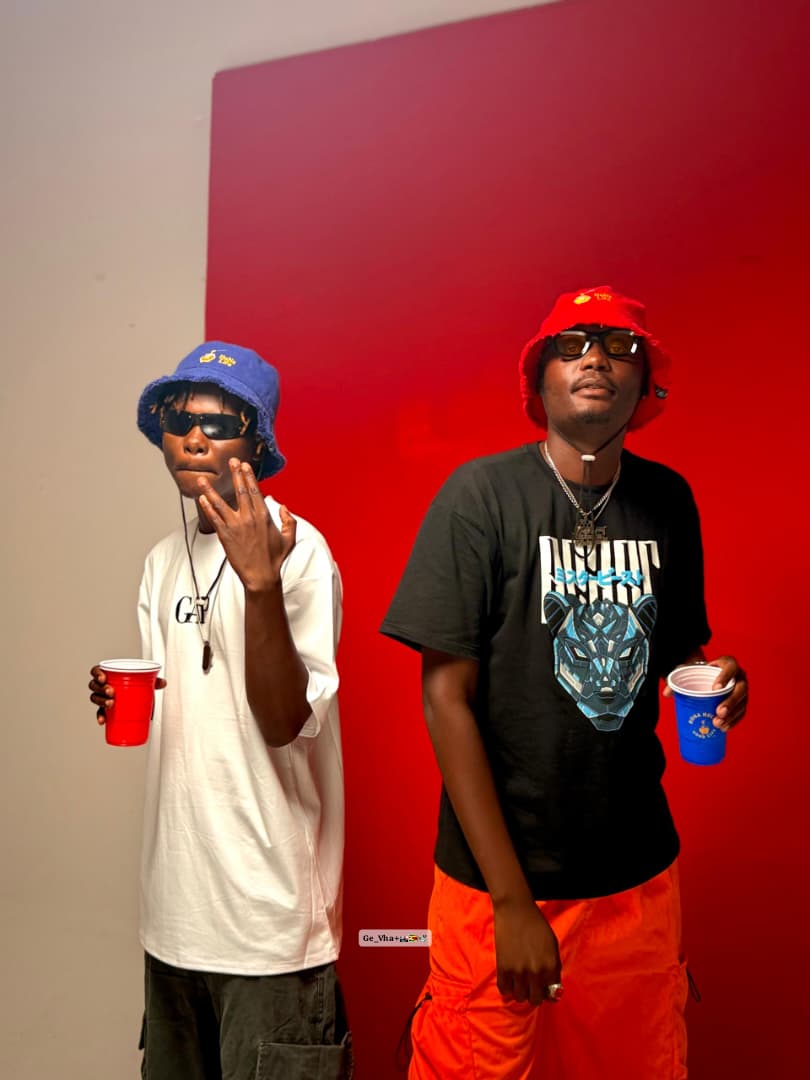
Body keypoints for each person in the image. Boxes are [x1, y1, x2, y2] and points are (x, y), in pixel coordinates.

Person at [380, 286, 748, 1079]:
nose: (596, 358)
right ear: (538, 378)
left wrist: (720, 676)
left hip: (635, 882)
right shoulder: (480, 496)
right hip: (495, 883)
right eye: (572, 344)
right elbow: (445, 697)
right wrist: (512, 902)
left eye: (620, 346)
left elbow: (678, 653)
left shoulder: (667, 501)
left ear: (644, 384)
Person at [88, 342, 351, 1079]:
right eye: (179, 420)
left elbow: (282, 722)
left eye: (219, 422)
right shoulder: (162, 562)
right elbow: (187, 706)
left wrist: (261, 586)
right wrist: (123, 697)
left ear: (256, 443)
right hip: (175, 919)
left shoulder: (299, 552)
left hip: (269, 927)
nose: (194, 438)